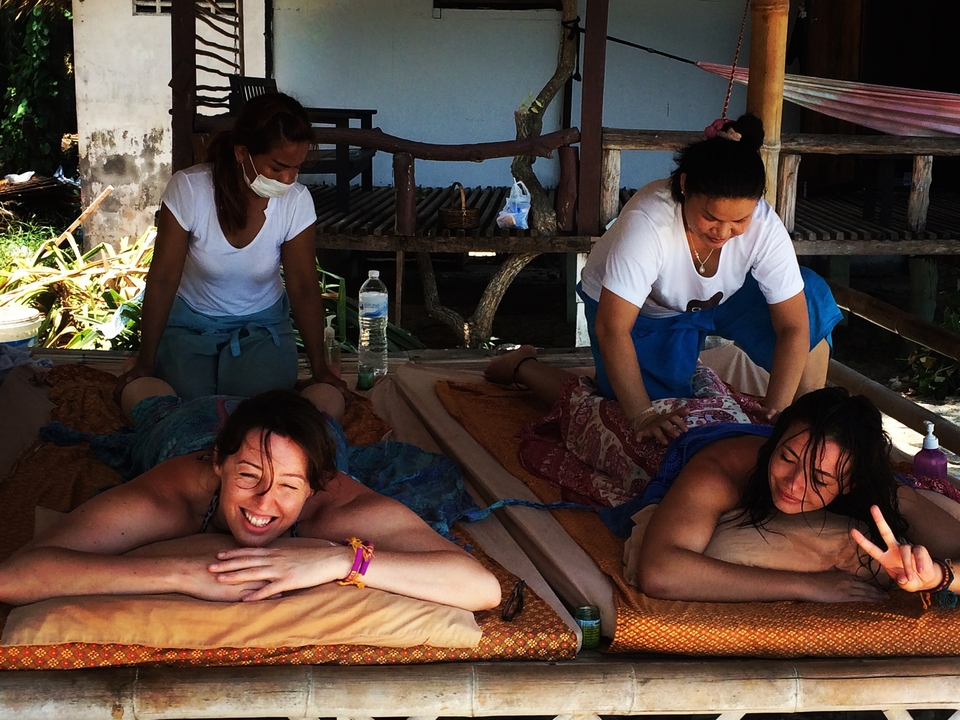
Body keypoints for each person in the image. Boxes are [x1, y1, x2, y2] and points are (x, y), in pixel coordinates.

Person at [0, 387, 501, 611]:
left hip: (306, 437)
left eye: (288, 486)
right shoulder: (172, 496)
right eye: (248, 476)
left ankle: (326, 389)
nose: (264, 501)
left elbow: (481, 589)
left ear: (315, 485)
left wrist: (340, 562)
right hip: (187, 429)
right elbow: (15, 577)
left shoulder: (340, 504)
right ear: (218, 465)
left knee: (324, 410)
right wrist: (181, 575)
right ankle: (140, 383)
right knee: (153, 408)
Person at [577, 114, 843, 444]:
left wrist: (778, 409)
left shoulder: (763, 223)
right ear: (686, 185)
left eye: (739, 220)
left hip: (721, 298)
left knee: (811, 299)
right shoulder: (648, 224)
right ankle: (524, 366)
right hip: (647, 313)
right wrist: (642, 414)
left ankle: (803, 421)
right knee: (656, 415)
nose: (723, 232)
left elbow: (793, 326)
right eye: (710, 217)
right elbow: (612, 328)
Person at [114, 92, 345, 402]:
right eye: (277, 168)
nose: (288, 179)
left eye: (296, 168)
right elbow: (163, 277)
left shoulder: (297, 202)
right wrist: (146, 361)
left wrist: (320, 369)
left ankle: (289, 384)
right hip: (190, 325)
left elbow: (303, 285)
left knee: (256, 402)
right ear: (241, 153)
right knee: (187, 398)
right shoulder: (189, 190)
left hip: (261, 328)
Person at [633, 386, 960, 603]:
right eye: (787, 458)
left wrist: (937, 576)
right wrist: (808, 586)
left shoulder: (882, 490)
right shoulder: (720, 471)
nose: (793, 484)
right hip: (697, 431)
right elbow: (660, 572)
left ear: (849, 484)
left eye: (819, 479)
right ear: (774, 441)